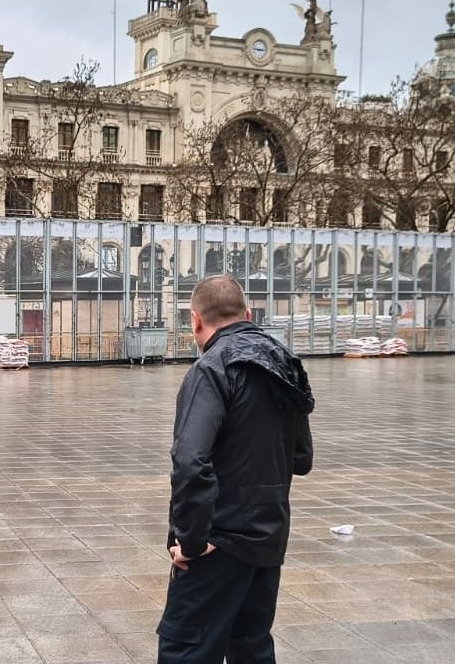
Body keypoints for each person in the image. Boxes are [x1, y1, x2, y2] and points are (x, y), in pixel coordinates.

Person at [159, 275, 315, 664]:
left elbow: (190, 462)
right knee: (251, 646)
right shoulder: (285, 365)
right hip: (267, 539)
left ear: (195, 321)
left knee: (187, 649)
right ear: (248, 314)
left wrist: (192, 542)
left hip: (219, 544)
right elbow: (302, 458)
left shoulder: (211, 369)